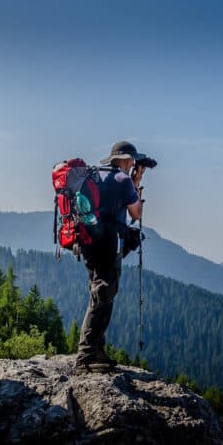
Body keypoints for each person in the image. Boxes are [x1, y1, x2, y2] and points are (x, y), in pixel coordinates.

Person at [75, 141, 146, 373]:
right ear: (125, 160)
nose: (134, 164)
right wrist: (135, 185)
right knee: (104, 293)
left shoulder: (94, 175)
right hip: (109, 244)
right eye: (132, 161)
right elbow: (136, 213)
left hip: (87, 243)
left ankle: (97, 350)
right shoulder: (123, 180)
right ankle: (85, 355)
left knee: (99, 291)